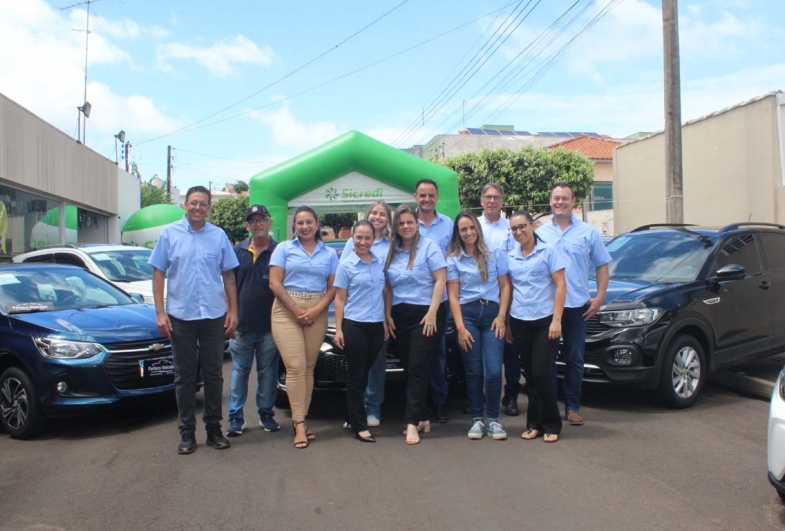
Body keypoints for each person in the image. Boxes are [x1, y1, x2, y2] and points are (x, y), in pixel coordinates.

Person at [148, 185, 239, 455]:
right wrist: (160, 312)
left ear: (209, 207)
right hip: (181, 316)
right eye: (193, 203)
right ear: (184, 205)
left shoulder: (219, 236)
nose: (198, 207)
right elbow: (158, 274)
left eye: (203, 204)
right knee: (184, 377)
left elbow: (229, 276)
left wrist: (233, 311)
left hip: (213, 315)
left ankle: (214, 430)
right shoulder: (169, 234)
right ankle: (187, 433)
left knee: (213, 375)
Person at [536, 182, 611, 426]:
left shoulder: (589, 232)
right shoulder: (540, 234)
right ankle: (549, 406)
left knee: (575, 358)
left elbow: (602, 265)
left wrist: (599, 296)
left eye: (565, 198)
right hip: (547, 307)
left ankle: (572, 406)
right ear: (550, 201)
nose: (560, 202)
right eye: (556, 198)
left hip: (577, 306)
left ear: (573, 201)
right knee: (546, 360)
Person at [269, 206, 338, 449]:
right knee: (295, 367)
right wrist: (296, 309)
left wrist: (316, 310)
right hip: (286, 310)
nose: (305, 226)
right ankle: (298, 424)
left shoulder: (329, 254)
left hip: (316, 311)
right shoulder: (283, 249)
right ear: (294, 226)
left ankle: (303, 419)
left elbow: (332, 288)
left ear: (317, 224)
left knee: (308, 368)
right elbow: (275, 283)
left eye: (309, 222)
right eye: (300, 222)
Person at [384, 204, 447, 445]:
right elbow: (388, 287)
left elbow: (441, 279)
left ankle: (411, 424)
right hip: (400, 316)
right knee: (410, 368)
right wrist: (388, 315)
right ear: (396, 227)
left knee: (419, 367)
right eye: (401, 223)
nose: (406, 226)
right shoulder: (393, 250)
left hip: (426, 315)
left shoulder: (428, 246)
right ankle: (422, 416)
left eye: (409, 222)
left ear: (416, 223)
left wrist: (432, 313)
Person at [446, 211, 511, 440]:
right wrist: (460, 327)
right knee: (473, 371)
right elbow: (453, 296)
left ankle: (493, 420)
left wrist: (502, 316)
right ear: (458, 233)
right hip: (468, 316)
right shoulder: (453, 259)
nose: (468, 232)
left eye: (471, 227)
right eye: (463, 229)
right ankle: (476, 419)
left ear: (477, 229)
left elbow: (505, 287)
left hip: (493, 315)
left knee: (493, 371)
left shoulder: (494, 256)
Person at [507, 210, 567, 443]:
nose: (519, 232)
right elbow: (509, 289)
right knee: (530, 376)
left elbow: (561, 286)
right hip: (520, 320)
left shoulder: (548, 251)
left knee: (542, 373)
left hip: (545, 320)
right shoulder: (511, 256)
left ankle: (552, 423)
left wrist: (557, 320)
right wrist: (508, 323)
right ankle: (534, 423)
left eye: (522, 226)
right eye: (514, 229)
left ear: (532, 226)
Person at [226, 204, 281, 437]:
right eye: (253, 220)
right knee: (239, 372)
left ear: (270, 223)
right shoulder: (236, 251)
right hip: (242, 327)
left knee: (268, 373)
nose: (257, 224)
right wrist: (231, 315)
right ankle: (235, 418)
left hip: (271, 326)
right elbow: (228, 286)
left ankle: (266, 414)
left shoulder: (280, 251)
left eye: (262, 219)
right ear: (247, 225)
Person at [334, 220, 389, 443]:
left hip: (376, 325)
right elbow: (339, 299)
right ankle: (359, 424)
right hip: (354, 324)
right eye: (359, 238)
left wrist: (385, 320)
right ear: (353, 238)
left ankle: (350, 414)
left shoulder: (379, 263)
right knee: (356, 375)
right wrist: (338, 329)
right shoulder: (346, 265)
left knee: (364, 373)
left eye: (368, 238)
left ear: (373, 239)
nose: (363, 242)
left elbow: (384, 293)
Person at [476, 182, 521, 417]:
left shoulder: (510, 229)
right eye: (488, 197)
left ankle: (511, 397)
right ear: (481, 201)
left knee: (510, 351)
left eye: (496, 197)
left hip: (508, 294)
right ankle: (478, 397)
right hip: (478, 297)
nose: (492, 201)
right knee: (480, 352)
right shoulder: (474, 227)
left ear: (502, 201)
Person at [413, 179, 452, 423]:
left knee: (437, 354)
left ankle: (438, 403)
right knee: (414, 357)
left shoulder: (447, 224)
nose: (426, 199)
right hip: (410, 301)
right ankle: (417, 403)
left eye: (431, 195)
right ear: (415, 196)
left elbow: (453, 256)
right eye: (422, 195)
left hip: (440, 300)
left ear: (437, 197)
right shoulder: (406, 221)